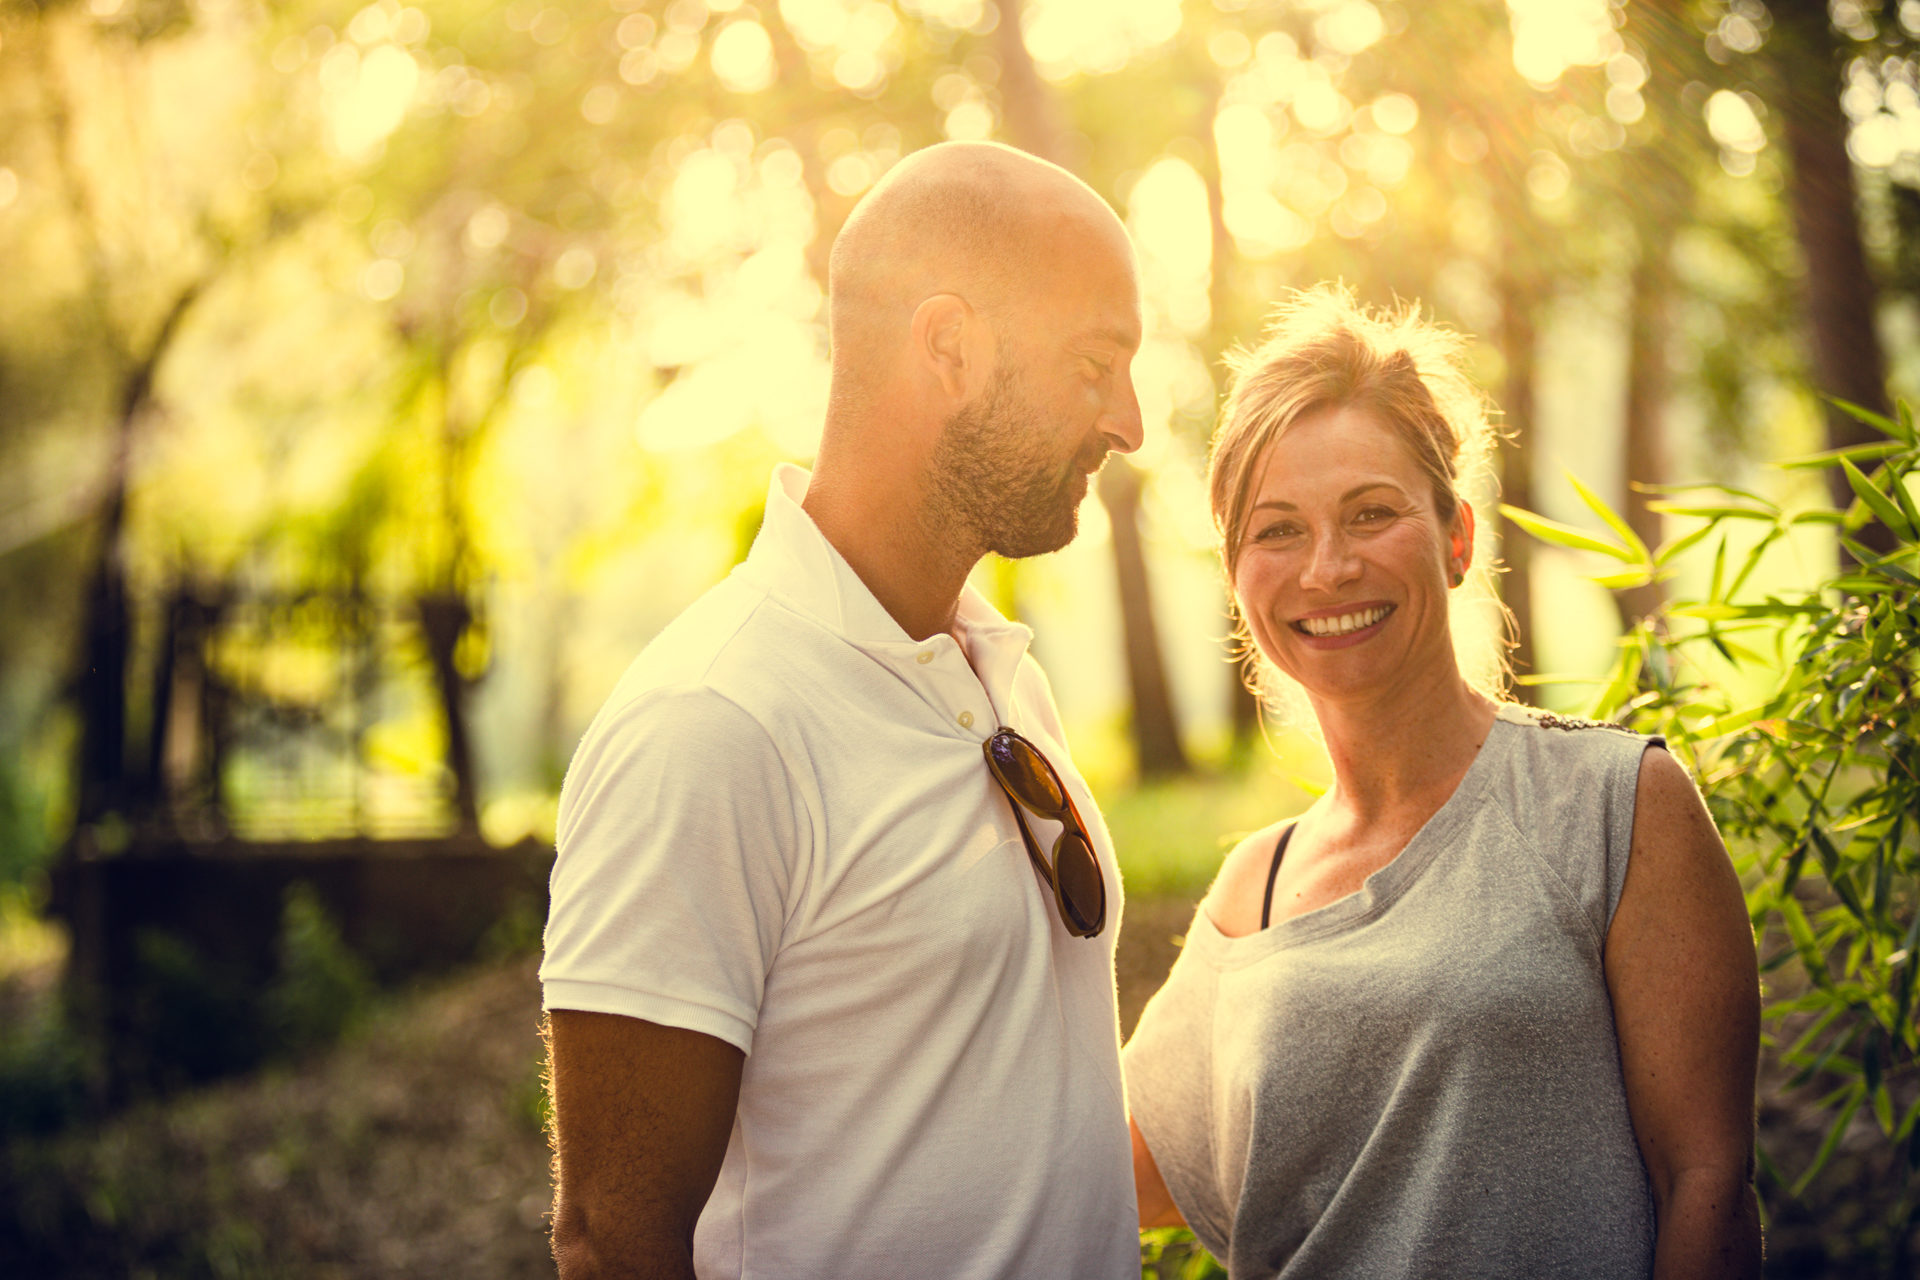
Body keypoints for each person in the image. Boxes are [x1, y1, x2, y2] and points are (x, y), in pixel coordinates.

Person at [539, 141, 1147, 1280]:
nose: (1130, 421)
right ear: (951, 347)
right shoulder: (710, 723)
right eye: (1094, 364)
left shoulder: (1005, 672)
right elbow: (612, 1238)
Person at [1124, 286, 1762, 1279]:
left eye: (1370, 513)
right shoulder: (1254, 884)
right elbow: (1120, 1169)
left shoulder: (1612, 801)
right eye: (1277, 529)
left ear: (1457, 536)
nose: (1328, 567)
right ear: (1238, 573)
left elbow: (1707, 1180)